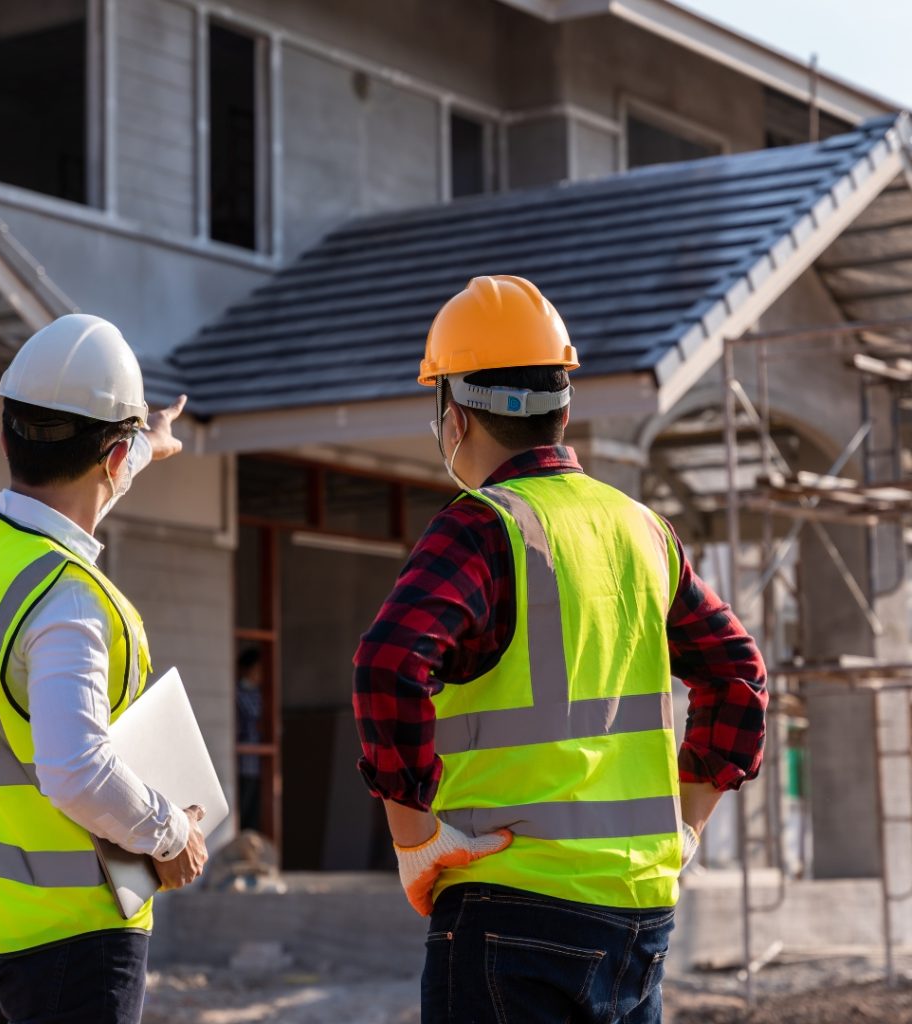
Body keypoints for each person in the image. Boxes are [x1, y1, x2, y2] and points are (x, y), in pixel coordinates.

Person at [352, 276, 768, 1023]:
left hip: (512, 912)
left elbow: (388, 663)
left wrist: (414, 839)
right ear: (564, 408)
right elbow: (739, 676)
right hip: (640, 919)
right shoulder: (642, 529)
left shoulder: (484, 525)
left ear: (452, 415)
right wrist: (687, 827)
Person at [0, 314, 209, 1024]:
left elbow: (77, 487)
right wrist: (169, 834)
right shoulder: (68, 600)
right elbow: (75, 767)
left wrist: (146, 444)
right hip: (75, 938)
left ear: (5, 435)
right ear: (112, 459)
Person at [236, 647, 264, 832]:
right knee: (242, 813)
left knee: (255, 815)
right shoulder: (237, 693)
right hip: (243, 762)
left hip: (259, 762)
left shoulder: (261, 694)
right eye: (257, 669)